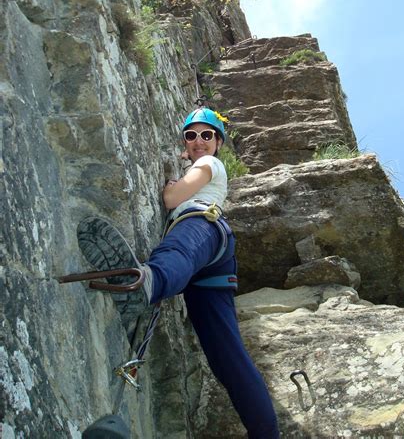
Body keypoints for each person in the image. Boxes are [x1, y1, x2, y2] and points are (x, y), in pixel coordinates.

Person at [78, 107, 280, 439]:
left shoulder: (209, 164)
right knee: (226, 356)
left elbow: (172, 198)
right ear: (184, 143)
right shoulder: (200, 164)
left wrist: (175, 183)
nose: (199, 141)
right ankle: (267, 432)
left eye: (207, 135)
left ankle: (148, 283)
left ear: (218, 144)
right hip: (211, 269)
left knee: (177, 252)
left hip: (203, 228)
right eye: (191, 136)